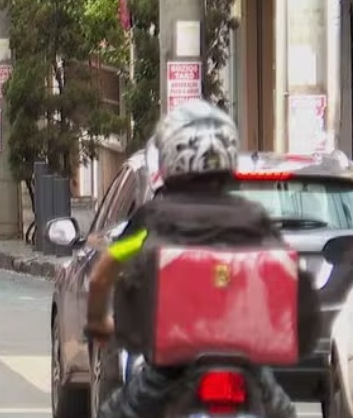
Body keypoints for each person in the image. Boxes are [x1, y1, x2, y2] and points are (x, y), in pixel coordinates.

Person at [85, 100, 300, 418]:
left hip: (172, 368)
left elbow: (102, 276)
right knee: (285, 413)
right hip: (245, 363)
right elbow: (281, 278)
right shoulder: (252, 218)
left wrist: (98, 322)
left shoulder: (151, 220)